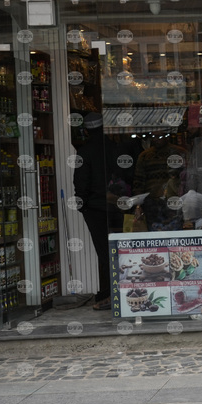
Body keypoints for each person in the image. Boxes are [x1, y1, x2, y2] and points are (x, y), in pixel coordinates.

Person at [72, 112, 112, 307]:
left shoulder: (85, 152)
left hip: (96, 209)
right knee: (122, 249)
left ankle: (110, 294)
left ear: (86, 131)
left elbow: (81, 182)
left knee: (104, 252)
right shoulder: (116, 148)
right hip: (118, 207)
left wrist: (83, 206)